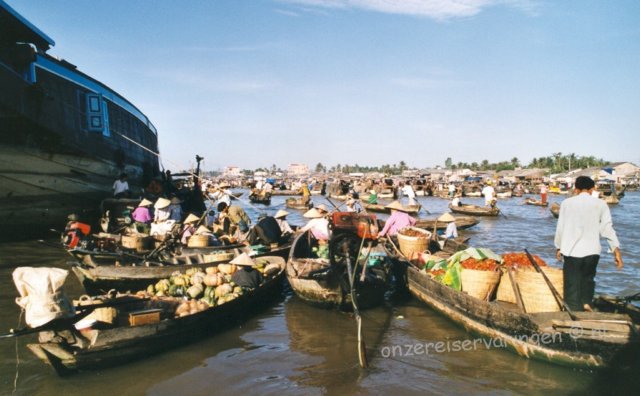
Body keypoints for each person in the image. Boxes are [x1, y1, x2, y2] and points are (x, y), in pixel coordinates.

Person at [554, 176, 623, 312]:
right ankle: (586, 303)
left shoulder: (567, 203)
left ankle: (573, 312)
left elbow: (560, 227)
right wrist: (616, 251)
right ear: (592, 189)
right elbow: (607, 228)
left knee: (572, 284)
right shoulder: (601, 204)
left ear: (576, 189)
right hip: (592, 251)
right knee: (588, 279)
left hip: (571, 251)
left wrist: (558, 247)